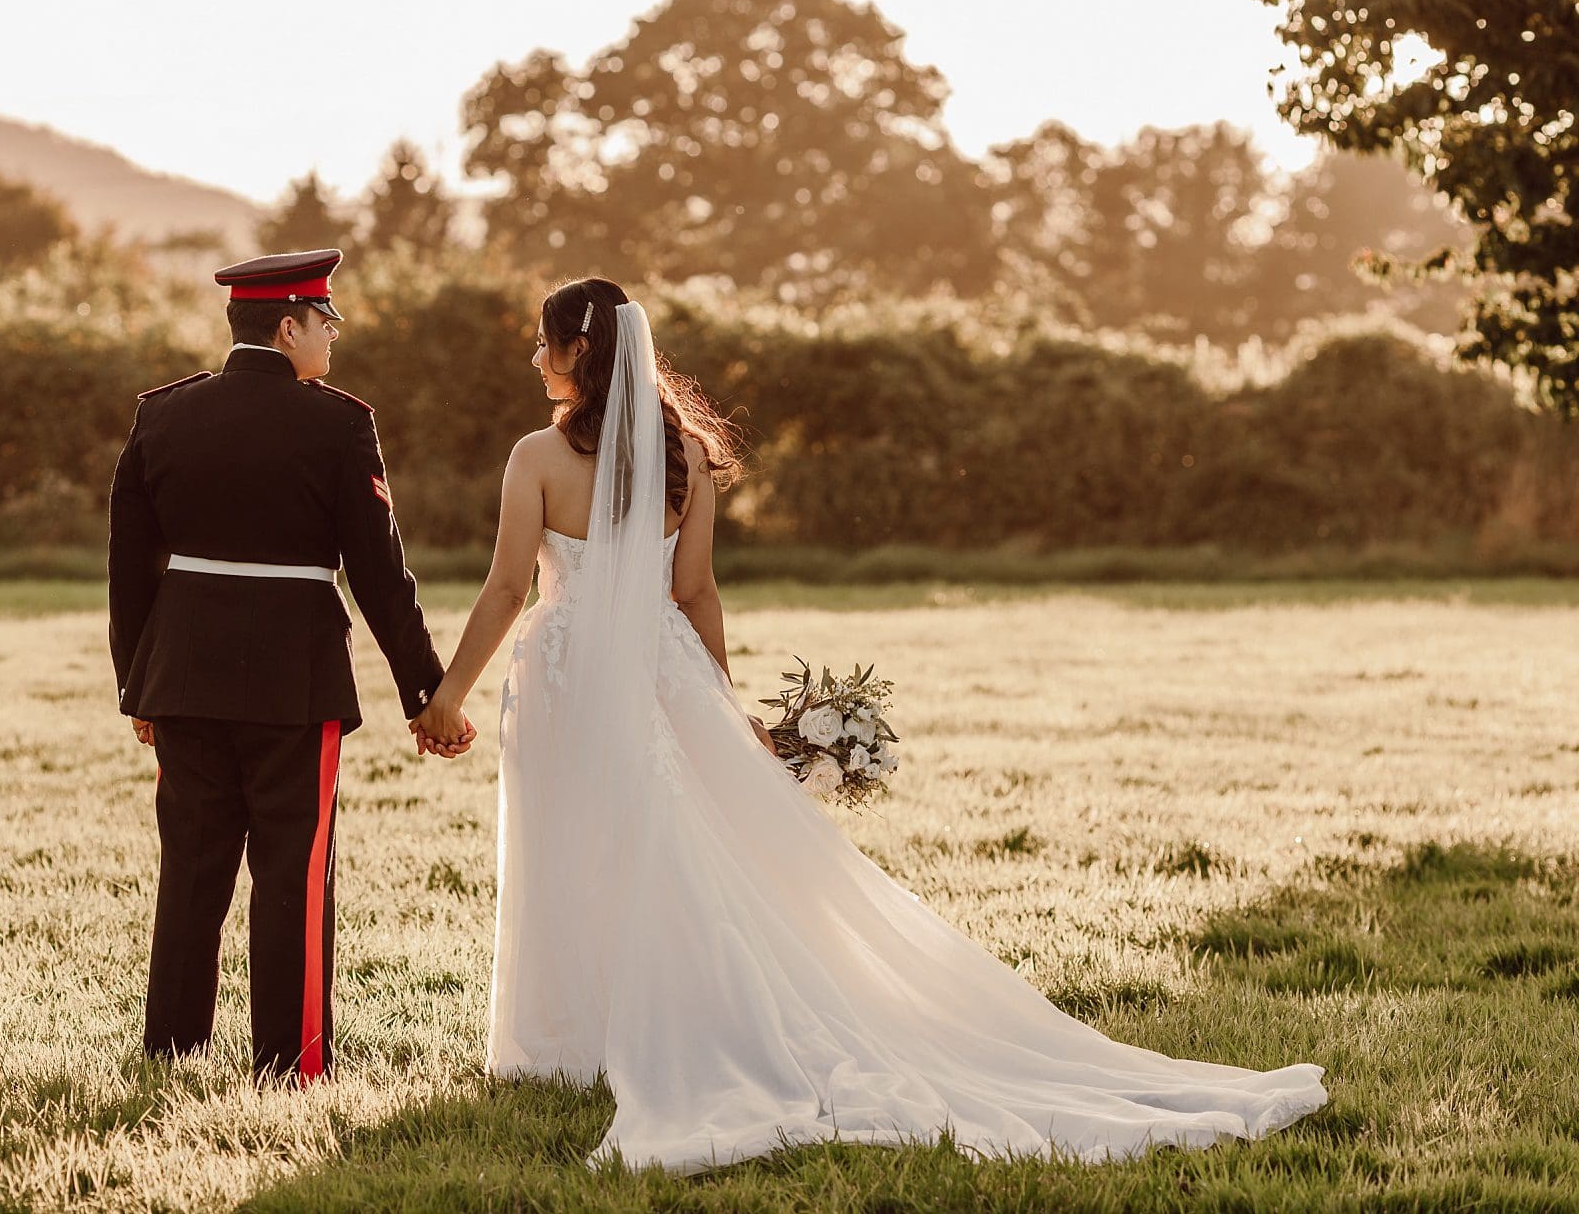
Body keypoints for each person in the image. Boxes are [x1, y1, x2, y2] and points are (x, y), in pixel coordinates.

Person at [410, 276, 1326, 1172]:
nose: (535, 357)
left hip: (567, 673)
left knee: (576, 844)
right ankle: (638, 1025)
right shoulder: (682, 453)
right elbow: (693, 595)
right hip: (662, 670)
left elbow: (504, 588)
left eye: (544, 341)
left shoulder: (535, 455)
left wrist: (450, 693)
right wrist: (722, 709)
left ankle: (572, 1039)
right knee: (676, 848)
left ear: (580, 349)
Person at [109, 247, 472, 1081]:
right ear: (287, 326)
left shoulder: (161, 415)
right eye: (325, 321)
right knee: (293, 877)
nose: (333, 338)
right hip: (295, 678)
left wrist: (139, 681)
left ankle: (171, 1052)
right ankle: (292, 1062)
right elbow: (380, 572)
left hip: (184, 678)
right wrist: (426, 690)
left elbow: (129, 563)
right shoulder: (340, 423)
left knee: (190, 873)